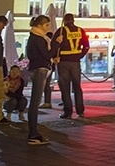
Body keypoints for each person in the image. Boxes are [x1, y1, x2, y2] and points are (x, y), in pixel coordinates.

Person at [52, 13, 89, 119]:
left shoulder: (61, 31)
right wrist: (79, 55)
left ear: (64, 20)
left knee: (65, 87)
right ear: (73, 20)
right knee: (77, 87)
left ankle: (68, 111)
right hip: (76, 62)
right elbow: (86, 46)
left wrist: (55, 57)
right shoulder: (80, 31)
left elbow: (54, 45)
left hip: (63, 62)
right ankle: (80, 110)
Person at [26, 15, 54, 145]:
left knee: (35, 101)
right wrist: (56, 44)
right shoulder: (38, 39)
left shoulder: (34, 37)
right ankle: (33, 134)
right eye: (46, 25)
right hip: (39, 70)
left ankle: (34, 133)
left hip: (37, 69)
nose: (48, 28)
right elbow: (47, 54)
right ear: (40, 25)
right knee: (35, 102)